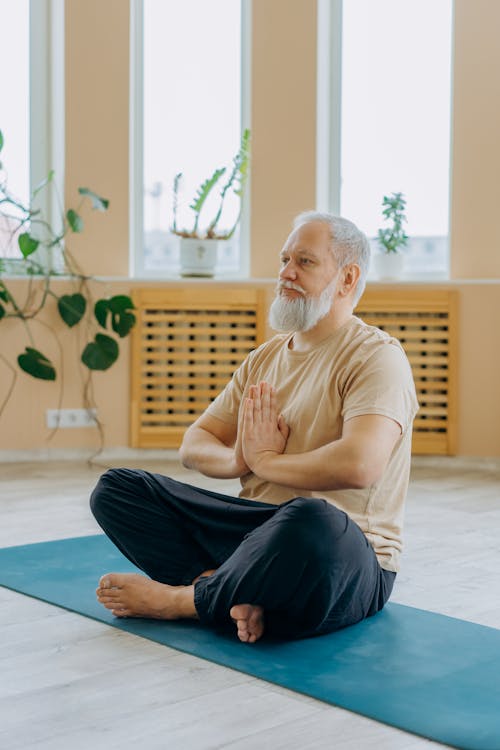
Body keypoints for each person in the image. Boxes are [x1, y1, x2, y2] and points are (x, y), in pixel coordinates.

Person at [90, 211, 418, 643]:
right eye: (284, 260)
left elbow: (360, 464)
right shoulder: (265, 358)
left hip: (343, 554)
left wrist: (265, 461)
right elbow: (195, 443)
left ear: (346, 277)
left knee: (314, 519)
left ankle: (182, 601)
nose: (285, 273)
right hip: (254, 536)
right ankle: (232, 591)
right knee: (116, 489)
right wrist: (238, 459)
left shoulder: (376, 358)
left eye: (305, 261)